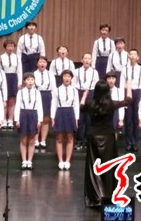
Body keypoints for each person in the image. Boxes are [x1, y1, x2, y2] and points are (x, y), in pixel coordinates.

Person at [81, 79, 132, 207]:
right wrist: (129, 87)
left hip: (93, 137)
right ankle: (108, 195)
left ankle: (94, 197)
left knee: (93, 167)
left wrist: (84, 96)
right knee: (108, 166)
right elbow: (128, 100)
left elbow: (81, 107)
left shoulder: (91, 104)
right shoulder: (111, 104)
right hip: (108, 137)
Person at [51, 70, 79, 170]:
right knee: (59, 137)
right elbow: (54, 104)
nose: (67, 78)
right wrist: (53, 117)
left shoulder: (74, 90)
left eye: (69, 76)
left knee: (70, 137)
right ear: (62, 78)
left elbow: (76, 105)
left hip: (70, 112)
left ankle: (67, 160)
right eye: (65, 76)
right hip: (60, 112)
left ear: (71, 78)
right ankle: (60, 160)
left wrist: (76, 119)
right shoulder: (57, 90)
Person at [15, 72, 43, 170]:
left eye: (32, 79)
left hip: (33, 114)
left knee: (32, 139)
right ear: (24, 81)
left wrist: (40, 120)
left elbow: (39, 106)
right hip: (23, 114)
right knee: (23, 138)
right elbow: (17, 106)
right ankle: (24, 160)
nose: (30, 82)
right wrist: (17, 119)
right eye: (28, 80)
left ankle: (29, 160)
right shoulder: (20, 92)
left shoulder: (37, 92)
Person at [121, 49, 141, 152]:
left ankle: (135, 142)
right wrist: (122, 97)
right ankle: (129, 142)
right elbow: (121, 84)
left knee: (136, 118)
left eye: (134, 54)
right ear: (128, 56)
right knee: (128, 119)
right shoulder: (124, 69)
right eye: (131, 54)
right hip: (127, 92)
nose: (132, 56)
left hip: (137, 92)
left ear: (137, 57)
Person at [74, 53, 99, 151]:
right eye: (85, 58)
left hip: (90, 93)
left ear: (91, 61)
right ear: (82, 60)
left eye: (89, 59)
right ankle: (79, 141)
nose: (87, 60)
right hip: (79, 92)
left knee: (89, 119)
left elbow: (97, 85)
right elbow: (73, 84)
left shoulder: (94, 72)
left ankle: (88, 141)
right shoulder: (76, 71)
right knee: (80, 119)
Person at [0, 39, 22, 129]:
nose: (10, 48)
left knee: (12, 100)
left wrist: (19, 82)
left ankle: (10, 120)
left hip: (13, 78)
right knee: (4, 99)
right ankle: (4, 119)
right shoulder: (1, 57)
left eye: (12, 46)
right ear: (5, 47)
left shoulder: (17, 57)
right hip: (4, 77)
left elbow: (19, 70)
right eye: (8, 46)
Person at [34, 56, 56, 149]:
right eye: (40, 62)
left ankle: (43, 140)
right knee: (37, 118)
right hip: (37, 95)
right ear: (37, 64)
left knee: (46, 119)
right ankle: (35, 140)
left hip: (47, 95)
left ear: (47, 64)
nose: (42, 64)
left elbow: (54, 87)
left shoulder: (50, 74)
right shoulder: (34, 74)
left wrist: (54, 99)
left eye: (44, 62)